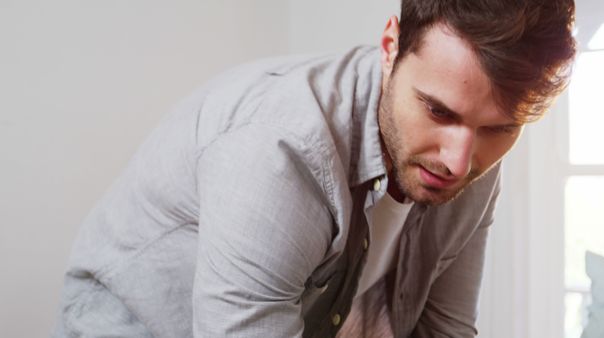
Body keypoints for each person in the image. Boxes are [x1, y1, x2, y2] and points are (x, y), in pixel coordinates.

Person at [52, 0, 576, 337]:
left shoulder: (470, 164)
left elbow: (445, 330)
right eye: (439, 111)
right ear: (391, 46)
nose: (459, 161)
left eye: (499, 129)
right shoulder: (277, 150)